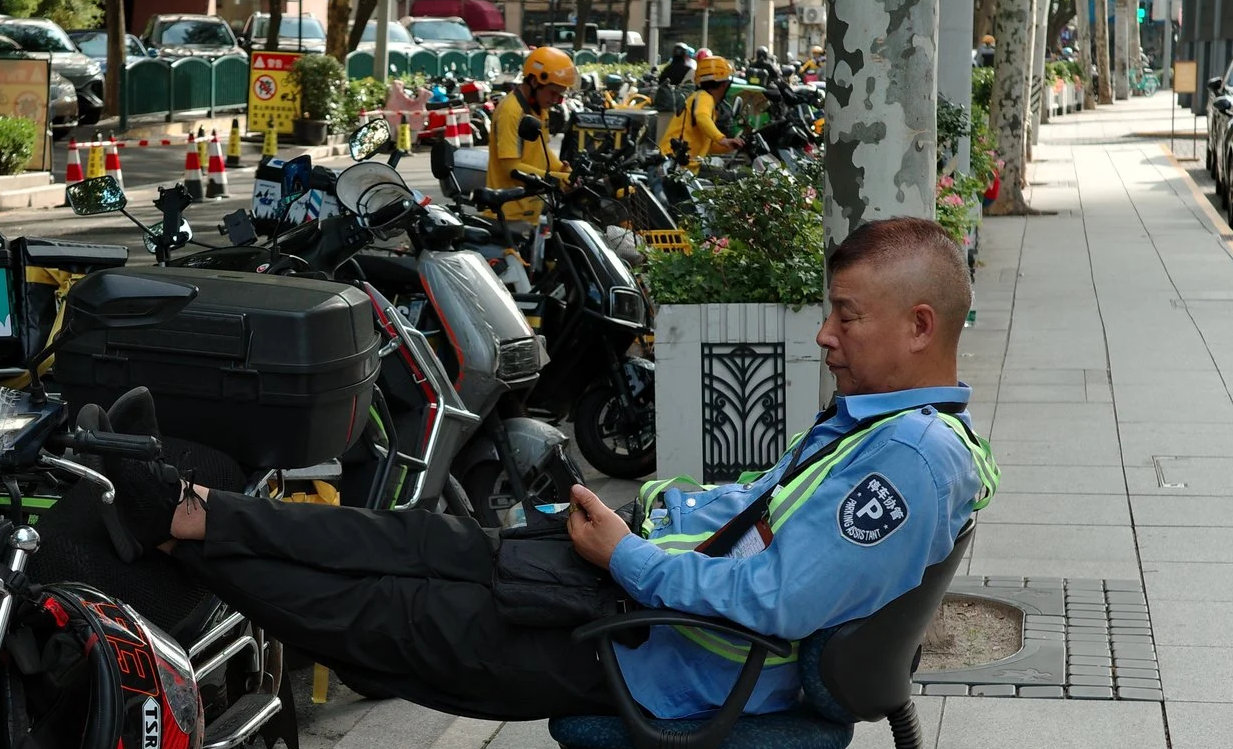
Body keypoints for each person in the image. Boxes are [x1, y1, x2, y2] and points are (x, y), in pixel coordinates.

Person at [112, 217, 996, 723]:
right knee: (421, 538)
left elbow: (781, 601)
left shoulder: (910, 460)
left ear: (920, 326)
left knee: (392, 615)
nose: (825, 334)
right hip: (645, 597)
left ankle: (182, 542)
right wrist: (645, 509)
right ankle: (196, 510)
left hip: (661, 651)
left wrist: (630, 559)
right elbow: (759, 513)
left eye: (846, 316)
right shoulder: (885, 424)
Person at [483, 44, 576, 223]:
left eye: (561, 95)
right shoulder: (511, 112)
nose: (557, 100)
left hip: (531, 211)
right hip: (508, 215)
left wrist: (562, 169)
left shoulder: (539, 109)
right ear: (534, 82)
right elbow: (511, 168)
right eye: (553, 93)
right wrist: (556, 180)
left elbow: (541, 151)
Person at [659, 52, 742, 164]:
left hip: (679, 166)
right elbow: (702, 117)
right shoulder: (704, 97)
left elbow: (706, 145)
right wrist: (722, 139)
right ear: (724, 84)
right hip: (673, 163)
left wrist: (729, 146)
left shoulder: (703, 100)